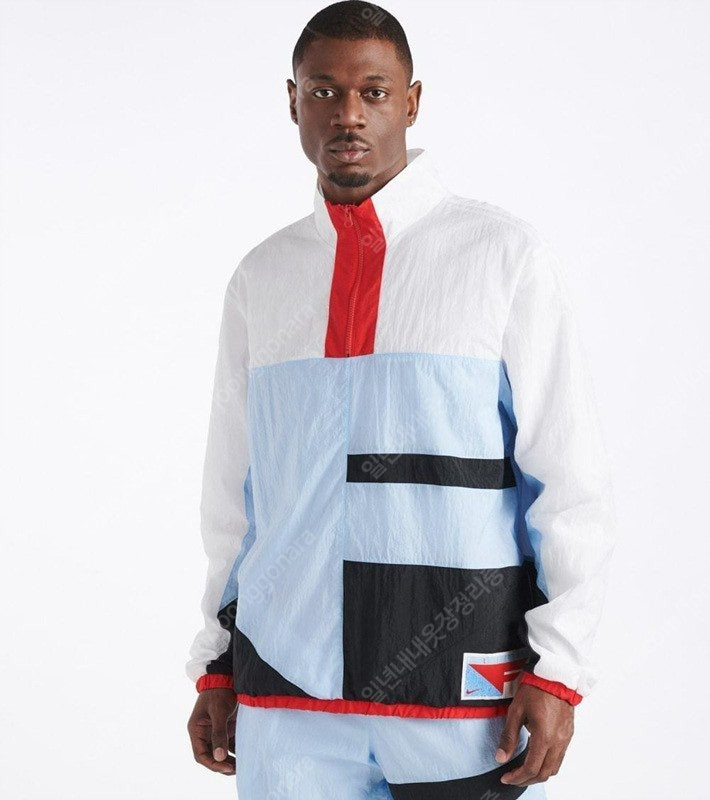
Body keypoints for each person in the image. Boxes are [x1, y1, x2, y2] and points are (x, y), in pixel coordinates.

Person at [185, 2, 617, 797]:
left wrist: (560, 669)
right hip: (287, 701)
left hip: (461, 700)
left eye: (373, 92)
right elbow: (234, 495)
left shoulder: (502, 257)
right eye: (324, 91)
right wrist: (216, 663)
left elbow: (567, 481)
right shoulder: (263, 277)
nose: (348, 114)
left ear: (411, 102)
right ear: (292, 102)